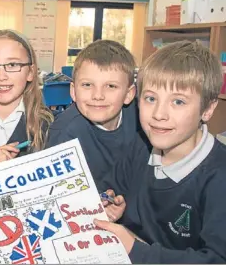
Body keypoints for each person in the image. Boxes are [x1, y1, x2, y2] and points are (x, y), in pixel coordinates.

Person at [95, 41, 226, 263]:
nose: (159, 114)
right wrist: (108, 203)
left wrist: (136, 250)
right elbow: (109, 189)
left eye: (178, 101)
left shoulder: (219, 177)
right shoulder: (140, 145)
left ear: (207, 109)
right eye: (151, 98)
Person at [46, 40, 145, 188]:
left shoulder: (142, 119)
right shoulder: (64, 133)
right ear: (73, 91)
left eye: (111, 86)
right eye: (87, 85)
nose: (98, 95)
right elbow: (57, 192)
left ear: (129, 94)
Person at [0, 30, 53, 168]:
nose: (1, 76)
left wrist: (14, 169)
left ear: (30, 72)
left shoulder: (47, 125)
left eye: (12, 65)